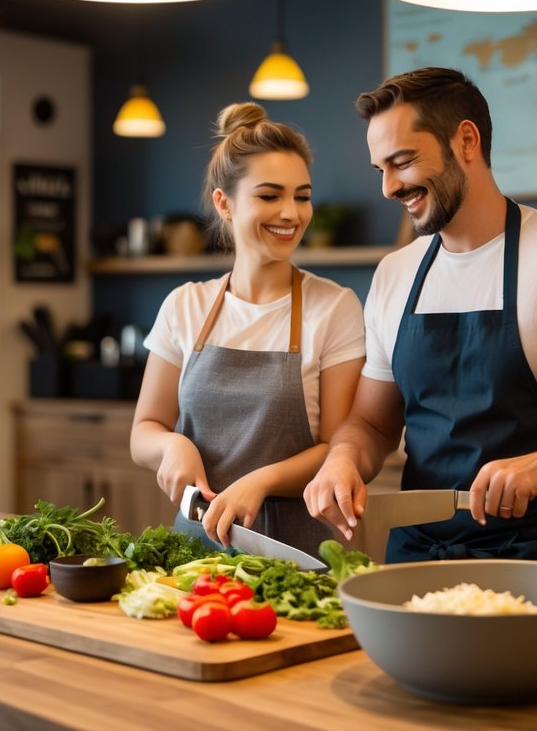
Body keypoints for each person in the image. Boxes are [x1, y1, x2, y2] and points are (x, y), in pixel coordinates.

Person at [304, 67, 537, 566]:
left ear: (466, 140)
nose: (389, 188)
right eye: (381, 169)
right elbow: (372, 424)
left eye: (403, 162)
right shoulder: (394, 275)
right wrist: (343, 459)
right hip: (417, 561)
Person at [131, 102, 365, 558]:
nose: (291, 213)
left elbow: (341, 447)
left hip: (297, 550)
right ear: (225, 203)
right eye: (270, 195)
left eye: (302, 195)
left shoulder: (334, 307)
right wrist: (172, 445)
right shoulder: (185, 305)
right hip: (194, 548)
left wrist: (261, 481)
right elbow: (144, 429)